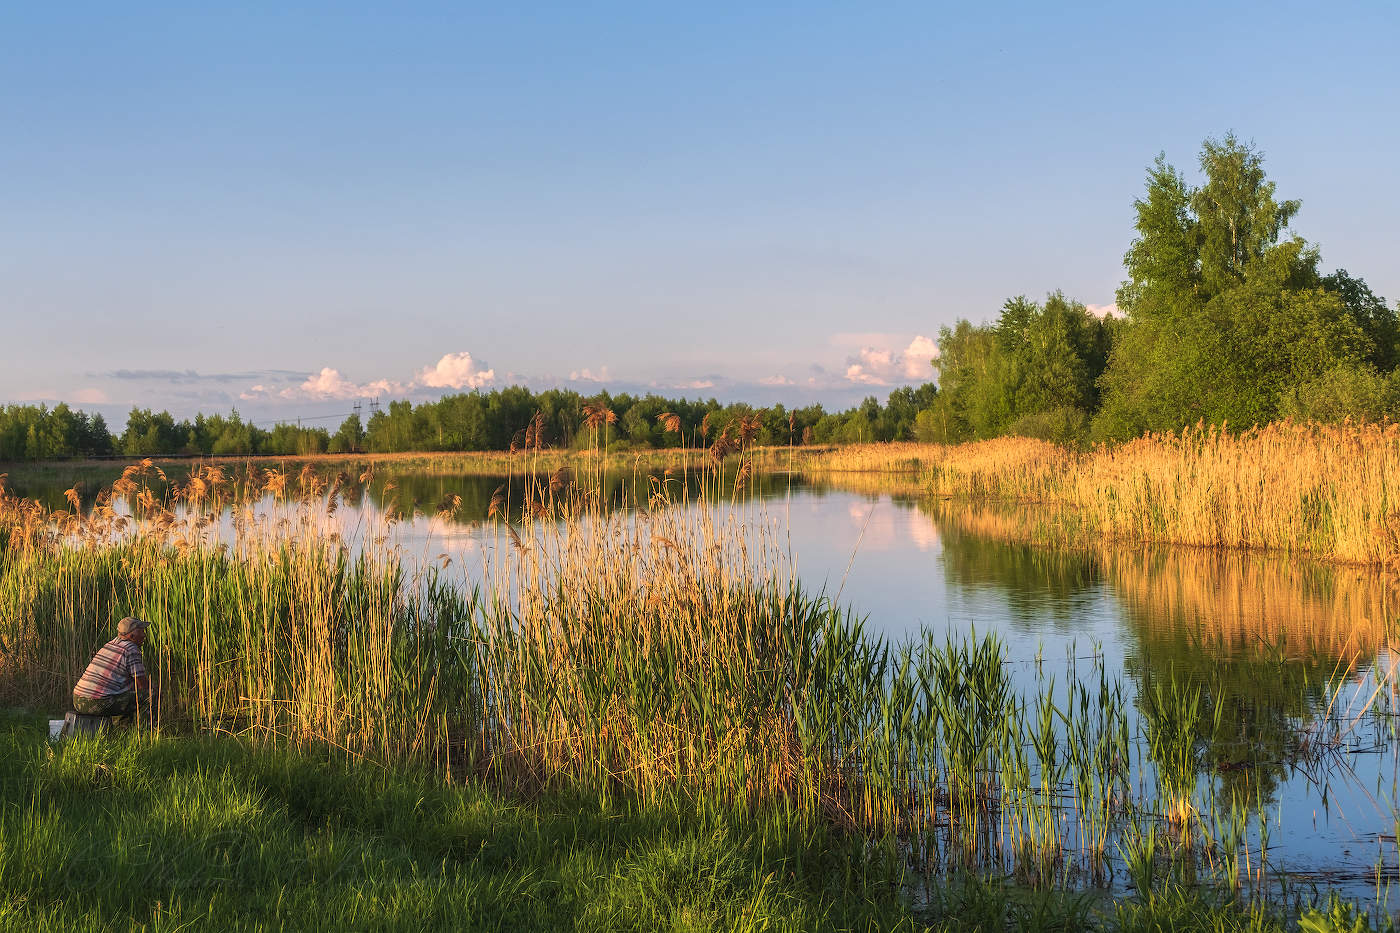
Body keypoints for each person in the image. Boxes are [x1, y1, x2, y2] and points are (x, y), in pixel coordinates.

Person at [72, 616, 155, 722]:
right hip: (96, 703)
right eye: (141, 631)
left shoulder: (109, 645)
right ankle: (147, 732)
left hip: (78, 700)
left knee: (127, 693)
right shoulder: (131, 649)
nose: (144, 635)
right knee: (150, 694)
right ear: (132, 635)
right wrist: (153, 687)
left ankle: (122, 730)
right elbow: (142, 685)